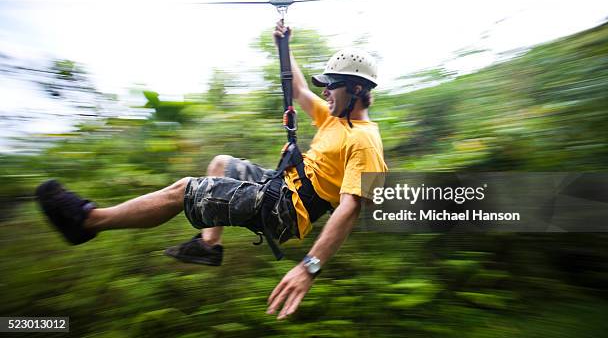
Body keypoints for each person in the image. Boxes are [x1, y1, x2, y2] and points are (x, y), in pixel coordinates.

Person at [36, 22, 387, 319]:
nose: (324, 90)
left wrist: (309, 267)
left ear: (357, 89)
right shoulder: (332, 117)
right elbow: (296, 88)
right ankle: (209, 246)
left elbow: (351, 207)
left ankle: (88, 221)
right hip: (280, 186)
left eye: (332, 85)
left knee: (186, 189)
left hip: (285, 210)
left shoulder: (366, 142)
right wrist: (284, 45)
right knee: (220, 165)